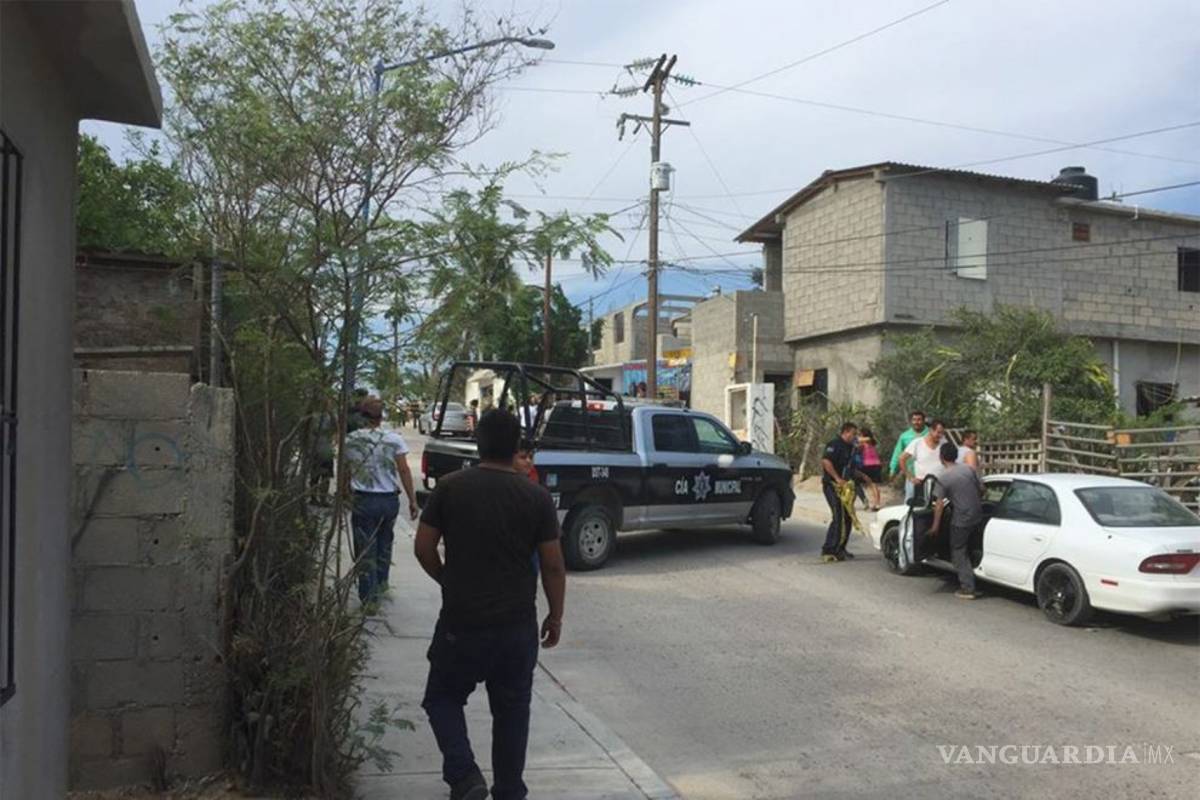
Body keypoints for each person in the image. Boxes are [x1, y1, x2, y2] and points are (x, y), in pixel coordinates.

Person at [415, 409, 567, 800]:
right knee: (513, 711)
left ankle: (465, 776)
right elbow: (552, 564)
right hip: (517, 627)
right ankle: (510, 791)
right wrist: (556, 614)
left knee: (442, 697)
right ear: (516, 446)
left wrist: (448, 581)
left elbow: (424, 547)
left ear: (477, 443)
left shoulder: (450, 487)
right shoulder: (536, 496)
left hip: (461, 622)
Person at [343, 397, 418, 607]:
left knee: (365, 548)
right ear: (381, 416)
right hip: (388, 500)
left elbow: (345, 470)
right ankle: (382, 584)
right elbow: (403, 470)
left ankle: (369, 598)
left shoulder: (352, 439)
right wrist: (412, 500)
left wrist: (344, 495)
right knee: (384, 544)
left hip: (363, 499)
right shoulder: (393, 439)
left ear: (361, 416)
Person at [929, 441, 984, 599]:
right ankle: (973, 578)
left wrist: (935, 527)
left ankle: (968, 588)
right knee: (969, 547)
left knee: (958, 551)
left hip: (962, 519)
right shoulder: (969, 469)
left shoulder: (943, 477)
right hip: (978, 515)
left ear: (941, 458)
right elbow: (982, 489)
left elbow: (939, 505)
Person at [820, 422, 870, 563]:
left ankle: (841, 548)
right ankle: (829, 549)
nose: (855, 437)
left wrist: (862, 476)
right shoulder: (834, 444)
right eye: (853, 434)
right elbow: (826, 462)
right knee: (838, 516)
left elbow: (849, 467)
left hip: (846, 488)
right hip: (832, 485)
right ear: (846, 432)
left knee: (848, 517)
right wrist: (837, 478)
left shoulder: (851, 448)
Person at [899, 419, 947, 503]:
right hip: (922, 483)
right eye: (938, 432)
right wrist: (910, 477)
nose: (940, 435)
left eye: (942, 433)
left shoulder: (944, 443)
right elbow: (902, 458)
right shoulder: (917, 443)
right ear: (931, 430)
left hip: (940, 483)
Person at [889, 410, 928, 497]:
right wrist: (893, 469)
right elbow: (898, 453)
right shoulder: (905, 436)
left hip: (928, 474)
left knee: (929, 500)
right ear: (911, 421)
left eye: (919, 419)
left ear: (924, 420)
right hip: (912, 474)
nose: (916, 422)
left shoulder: (930, 434)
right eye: (914, 420)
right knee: (910, 500)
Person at [307, 404, 336, 507]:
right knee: (315, 476)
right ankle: (313, 498)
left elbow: (336, 427)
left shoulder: (329, 416)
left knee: (326, 476)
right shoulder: (313, 416)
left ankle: (323, 498)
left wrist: (331, 413)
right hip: (315, 449)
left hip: (327, 450)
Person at [858, 427, 883, 511]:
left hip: (868, 464)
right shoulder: (871, 442)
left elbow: (858, 442)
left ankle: (876, 503)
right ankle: (877, 503)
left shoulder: (865, 441)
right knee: (874, 485)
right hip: (876, 463)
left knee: (871, 485)